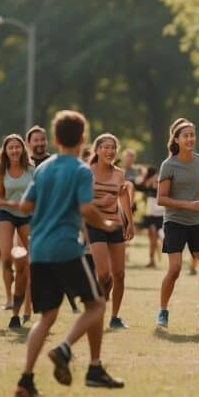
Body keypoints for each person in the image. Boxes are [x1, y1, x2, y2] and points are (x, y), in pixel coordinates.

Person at [13, 110, 123, 397]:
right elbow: (87, 209)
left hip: (39, 251)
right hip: (67, 248)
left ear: (56, 138)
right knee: (97, 305)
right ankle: (64, 349)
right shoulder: (80, 170)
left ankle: (26, 381)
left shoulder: (43, 168)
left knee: (47, 317)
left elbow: (25, 207)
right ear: (83, 138)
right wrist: (107, 223)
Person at [156, 119, 199, 330]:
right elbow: (161, 199)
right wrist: (189, 205)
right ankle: (163, 311)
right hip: (175, 221)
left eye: (193, 135)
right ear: (176, 139)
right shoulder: (169, 164)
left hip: (198, 221)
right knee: (174, 269)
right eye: (186, 135)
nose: (190, 139)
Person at [85, 134, 134, 330]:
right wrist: (99, 203)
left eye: (113, 148)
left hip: (115, 225)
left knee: (119, 274)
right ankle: (99, 306)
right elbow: (80, 201)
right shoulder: (87, 172)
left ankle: (115, 317)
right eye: (105, 147)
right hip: (94, 224)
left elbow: (123, 197)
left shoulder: (119, 174)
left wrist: (129, 222)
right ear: (97, 150)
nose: (110, 151)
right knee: (104, 274)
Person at [0, 134, 34, 329]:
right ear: (6, 151)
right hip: (7, 214)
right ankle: (10, 297)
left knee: (28, 262)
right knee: (7, 258)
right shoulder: (1, 171)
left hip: (27, 216)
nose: (15, 150)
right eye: (11, 148)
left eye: (18, 147)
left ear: (23, 149)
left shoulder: (32, 170)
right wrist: (7, 207)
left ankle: (25, 309)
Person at [140, 166, 164, 268]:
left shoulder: (162, 185)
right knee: (152, 238)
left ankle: (158, 250)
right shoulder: (147, 184)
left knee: (160, 237)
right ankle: (152, 260)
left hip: (161, 214)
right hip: (150, 215)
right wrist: (150, 180)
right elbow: (143, 186)